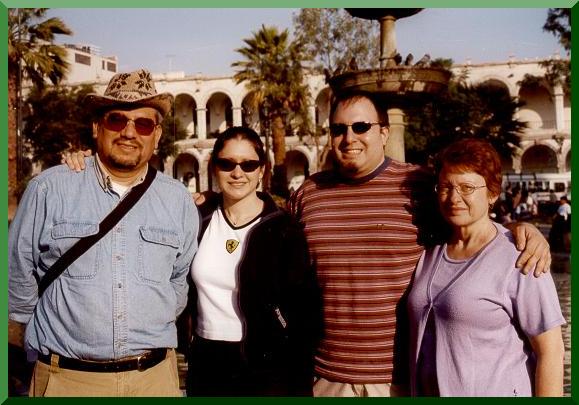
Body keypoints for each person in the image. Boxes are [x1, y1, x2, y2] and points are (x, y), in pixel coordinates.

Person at [288, 90, 552, 397]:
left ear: (383, 133)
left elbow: (470, 216)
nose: (349, 138)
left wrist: (519, 230)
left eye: (361, 127)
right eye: (338, 129)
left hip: (402, 380)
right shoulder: (308, 195)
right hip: (328, 375)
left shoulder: (418, 185)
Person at [8, 69, 199, 397]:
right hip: (68, 381)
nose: (129, 132)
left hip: (153, 381)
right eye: (116, 119)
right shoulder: (49, 189)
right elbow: (16, 273)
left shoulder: (177, 199)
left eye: (143, 124)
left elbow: (179, 281)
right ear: (97, 127)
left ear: (156, 134)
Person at [407, 139, 565, 396]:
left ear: (492, 193)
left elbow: (551, 351)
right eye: (445, 187)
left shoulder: (520, 256)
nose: (454, 197)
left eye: (467, 188)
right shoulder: (430, 252)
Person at [186, 126, 320, 396]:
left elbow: (304, 312)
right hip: (206, 361)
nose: (238, 173)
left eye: (248, 165)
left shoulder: (283, 229)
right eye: (227, 164)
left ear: (261, 170)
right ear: (214, 168)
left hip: (266, 366)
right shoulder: (197, 219)